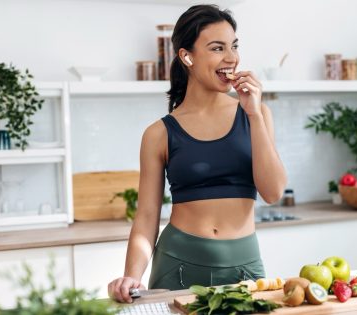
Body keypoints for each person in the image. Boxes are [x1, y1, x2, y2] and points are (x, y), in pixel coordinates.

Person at [108, 4, 287, 303]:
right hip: (177, 266)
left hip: (244, 268)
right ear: (186, 56)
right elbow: (148, 215)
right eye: (218, 48)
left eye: (234, 46)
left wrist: (254, 114)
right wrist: (132, 275)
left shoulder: (257, 115)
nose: (232, 58)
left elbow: (273, 192)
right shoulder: (159, 133)